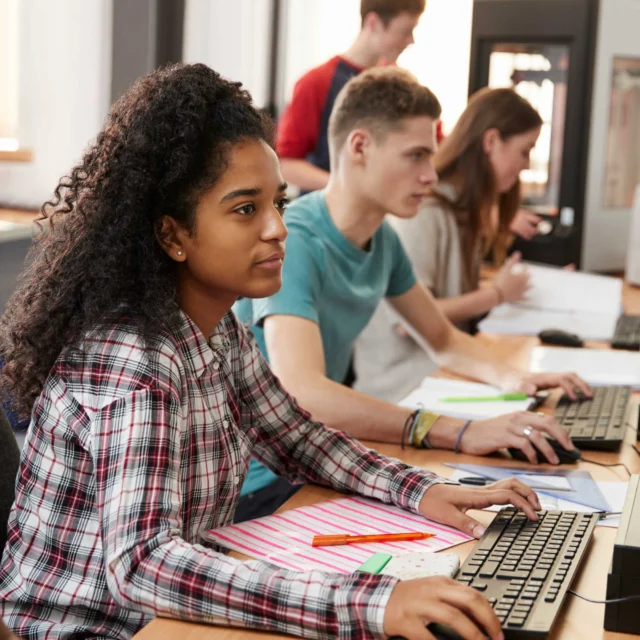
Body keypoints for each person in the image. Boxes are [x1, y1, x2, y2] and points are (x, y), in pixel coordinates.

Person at [0, 63, 539, 640]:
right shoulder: (135, 360)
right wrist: (370, 602)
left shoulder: (215, 329)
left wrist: (423, 489)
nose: (277, 228)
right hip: (86, 629)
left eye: (277, 203)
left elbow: (296, 436)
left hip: (157, 616)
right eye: (244, 209)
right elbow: (143, 563)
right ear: (172, 234)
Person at [237, 67, 590, 516]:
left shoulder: (383, 239)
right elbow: (304, 393)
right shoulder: (299, 240)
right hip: (266, 485)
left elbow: (441, 338)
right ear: (359, 147)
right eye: (416, 156)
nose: (430, 174)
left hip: (321, 460)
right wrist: (457, 431)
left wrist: (515, 379)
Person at [355, 88, 543, 402]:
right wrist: (496, 294)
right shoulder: (423, 212)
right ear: (491, 141)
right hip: (406, 388)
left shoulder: (461, 209)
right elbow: (409, 321)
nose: (525, 165)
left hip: (440, 375)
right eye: (525, 150)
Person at [277, 0, 426, 194]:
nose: (411, 41)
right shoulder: (316, 82)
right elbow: (286, 164)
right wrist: (346, 185)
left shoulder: (403, 83)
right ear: (373, 23)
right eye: (405, 31)